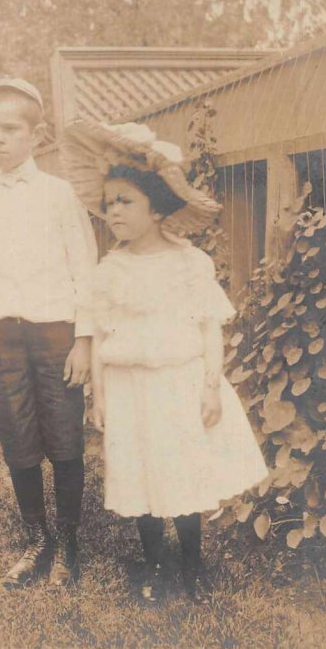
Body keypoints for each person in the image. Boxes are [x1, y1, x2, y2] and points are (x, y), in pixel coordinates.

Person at [63, 120, 268, 603]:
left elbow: (207, 327)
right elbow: (99, 334)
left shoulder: (188, 263)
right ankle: (153, 562)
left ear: (157, 208)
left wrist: (211, 386)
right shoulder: (110, 271)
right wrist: (100, 398)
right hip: (131, 388)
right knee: (142, 472)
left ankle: (192, 565)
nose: (113, 211)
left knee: (183, 470)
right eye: (108, 203)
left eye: (125, 201)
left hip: (178, 383)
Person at [0, 78, 97, 589]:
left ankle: (69, 544)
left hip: (55, 333)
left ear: (34, 136)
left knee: (63, 436)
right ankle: (38, 541)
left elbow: (86, 268)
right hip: (0, 339)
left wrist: (84, 339)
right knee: (17, 439)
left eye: (9, 129)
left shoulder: (60, 197)